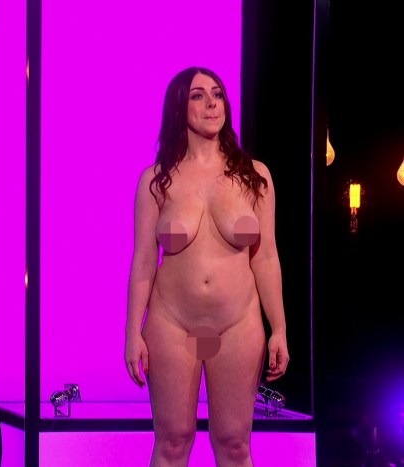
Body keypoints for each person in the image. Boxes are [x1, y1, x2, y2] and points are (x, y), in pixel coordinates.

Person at [124, 66, 289, 466]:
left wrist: (279, 329)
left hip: (237, 324)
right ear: (179, 107)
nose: (212, 103)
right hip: (172, 323)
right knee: (173, 441)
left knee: (234, 443)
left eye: (217, 94)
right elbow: (143, 262)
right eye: (198, 95)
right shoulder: (156, 181)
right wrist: (132, 331)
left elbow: (266, 257)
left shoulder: (255, 177)